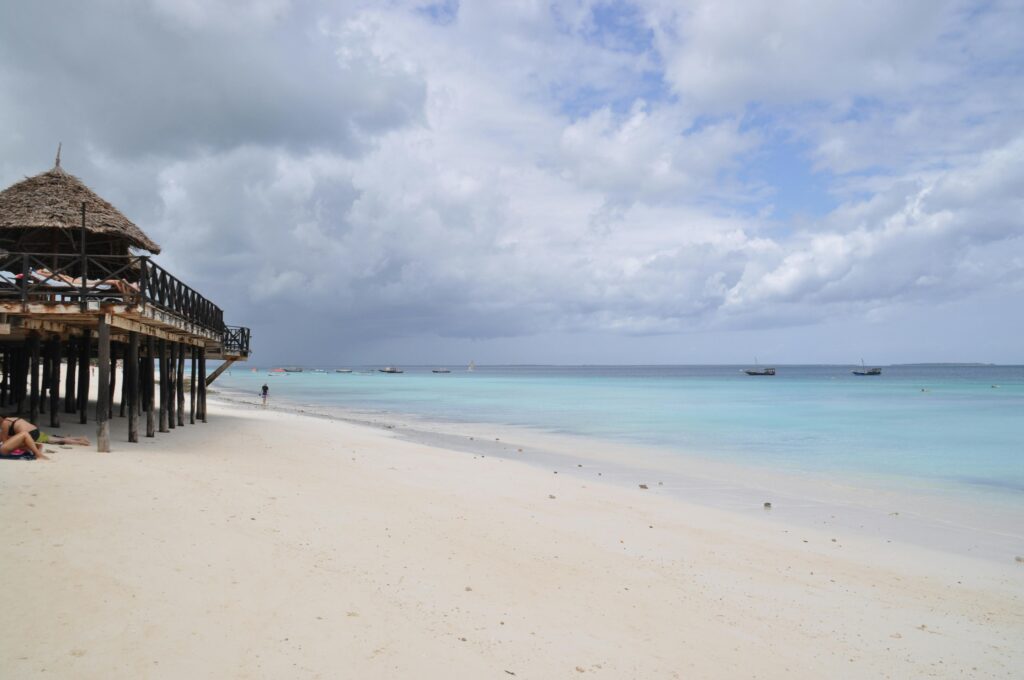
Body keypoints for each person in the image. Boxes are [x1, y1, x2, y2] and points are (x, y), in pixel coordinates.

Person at [1, 417, 90, 447]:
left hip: (31, 434)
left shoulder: (4, 424)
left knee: (55, 440)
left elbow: (5, 442)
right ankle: (81, 438)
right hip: (34, 430)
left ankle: (81, 442)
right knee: (53, 438)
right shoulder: (9, 419)